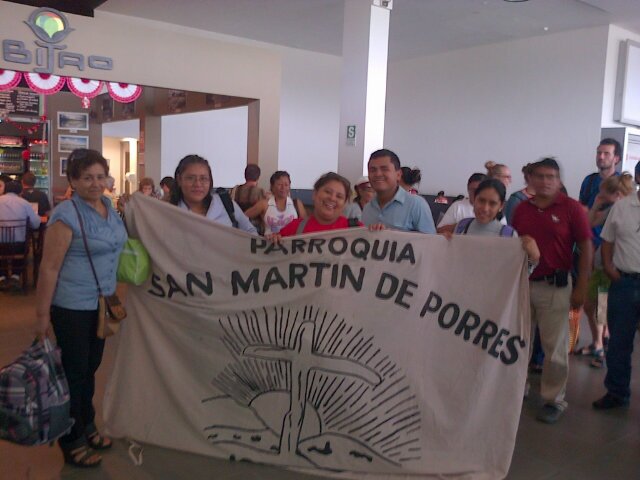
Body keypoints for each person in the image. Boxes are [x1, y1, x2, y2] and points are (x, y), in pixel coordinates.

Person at [34, 149, 126, 468]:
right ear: (73, 180)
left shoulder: (108, 207)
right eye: (87, 177)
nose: (95, 183)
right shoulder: (66, 215)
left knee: (90, 369)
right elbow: (49, 268)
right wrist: (42, 316)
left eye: (101, 177)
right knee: (74, 374)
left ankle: (87, 425)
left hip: (102, 302)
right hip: (71, 305)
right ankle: (70, 439)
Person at [512, 158, 592, 424]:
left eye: (551, 176)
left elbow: (586, 247)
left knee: (554, 348)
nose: (546, 181)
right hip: (522, 285)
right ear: (530, 180)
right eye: (541, 176)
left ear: (559, 181)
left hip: (555, 288)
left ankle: (553, 399)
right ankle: (515, 389)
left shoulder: (572, 209)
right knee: (519, 343)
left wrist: (582, 287)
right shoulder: (521, 210)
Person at [592, 174, 640, 410]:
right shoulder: (622, 207)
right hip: (625, 282)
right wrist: (609, 267)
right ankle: (617, 392)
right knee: (620, 343)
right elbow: (607, 239)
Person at [577, 173, 635, 368]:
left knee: (600, 306)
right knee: (594, 305)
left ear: (617, 194)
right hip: (604, 266)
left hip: (610, 268)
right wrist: (596, 205)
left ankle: (599, 345)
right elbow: (589, 224)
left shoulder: (620, 210)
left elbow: (591, 224)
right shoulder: (613, 209)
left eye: (604, 193)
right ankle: (600, 341)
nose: (600, 195)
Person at [447, 178, 540, 261]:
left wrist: (533, 258)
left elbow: (515, 271)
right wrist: (443, 243)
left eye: (492, 203)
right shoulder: (462, 226)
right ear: (474, 200)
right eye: (481, 200)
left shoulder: (508, 234)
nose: (485, 208)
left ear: (501, 206)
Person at [169, 154, 257, 233]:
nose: (197, 184)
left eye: (203, 178)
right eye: (190, 178)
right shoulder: (168, 212)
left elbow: (251, 233)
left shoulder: (226, 204)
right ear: (179, 180)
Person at [361, 149, 435, 233]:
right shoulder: (367, 208)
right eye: (373, 170)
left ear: (398, 175)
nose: (378, 174)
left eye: (384, 169)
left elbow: (430, 243)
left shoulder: (416, 205)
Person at [271, 172, 362, 239]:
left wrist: (375, 231)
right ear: (315, 194)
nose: (332, 198)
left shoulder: (357, 229)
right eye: (328, 192)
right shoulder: (294, 228)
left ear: (345, 203)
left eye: (339, 196)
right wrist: (272, 239)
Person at [243, 171, 307, 235]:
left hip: (291, 243)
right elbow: (242, 218)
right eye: (279, 184)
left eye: (286, 184)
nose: (283, 188)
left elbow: (305, 225)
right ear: (272, 187)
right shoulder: (264, 204)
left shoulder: (297, 204)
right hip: (269, 243)